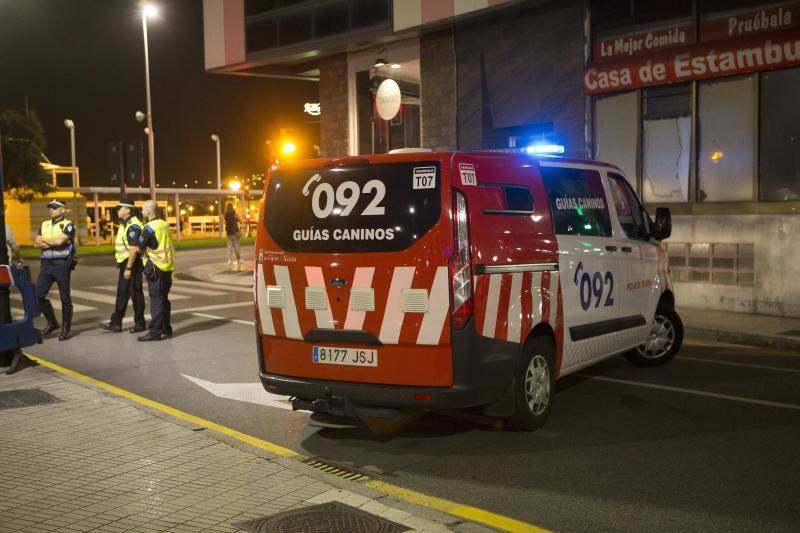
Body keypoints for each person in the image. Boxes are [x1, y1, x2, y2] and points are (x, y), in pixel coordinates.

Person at [126, 200, 175, 341]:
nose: (141, 212)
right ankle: (166, 328)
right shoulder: (164, 224)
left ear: (148, 211)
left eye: (142, 210)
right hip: (167, 267)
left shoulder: (149, 228)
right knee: (164, 299)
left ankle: (155, 332)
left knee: (156, 300)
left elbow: (139, 248)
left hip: (155, 268)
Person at [99, 199, 145, 333]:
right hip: (126, 262)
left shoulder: (133, 225)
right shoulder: (125, 224)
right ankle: (116, 323)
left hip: (132, 262)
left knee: (135, 293)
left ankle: (139, 323)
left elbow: (133, 248)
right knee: (123, 293)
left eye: (120, 208)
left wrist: (129, 268)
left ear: (128, 210)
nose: (117, 210)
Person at [34, 199, 76, 341]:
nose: (51, 209)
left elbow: (60, 241)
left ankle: (66, 329)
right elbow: (36, 243)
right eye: (50, 207)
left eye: (55, 207)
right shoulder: (44, 224)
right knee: (37, 296)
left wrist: (45, 241)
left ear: (62, 210)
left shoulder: (69, 225)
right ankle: (52, 323)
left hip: (62, 264)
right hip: (46, 265)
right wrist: (52, 241)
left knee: (65, 298)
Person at [224, 203, 241, 268]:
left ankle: (229, 259)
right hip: (234, 231)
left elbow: (225, 222)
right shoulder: (234, 213)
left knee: (229, 246)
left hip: (229, 232)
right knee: (236, 245)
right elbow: (239, 219)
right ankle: (238, 259)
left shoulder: (226, 214)